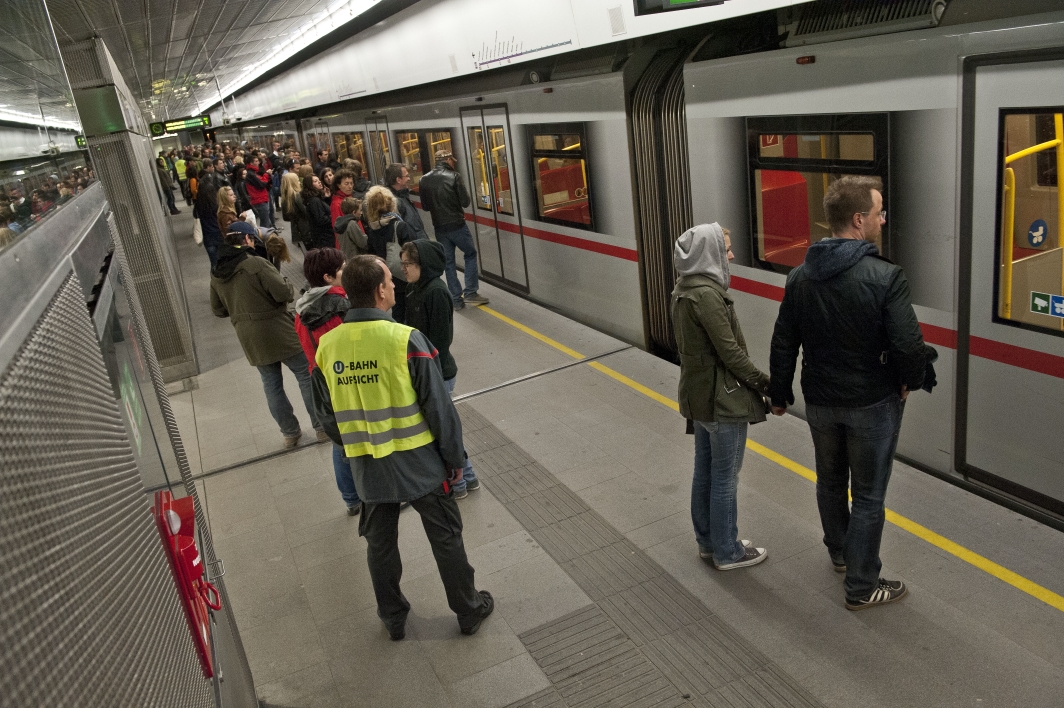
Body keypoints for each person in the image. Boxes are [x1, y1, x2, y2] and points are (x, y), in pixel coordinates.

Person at [769, 176, 932, 611]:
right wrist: (911, 380)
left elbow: (785, 340)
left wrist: (780, 393)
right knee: (869, 496)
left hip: (820, 401)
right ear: (859, 220)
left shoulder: (800, 276)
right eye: (879, 211)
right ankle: (862, 586)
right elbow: (908, 345)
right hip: (871, 403)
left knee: (829, 481)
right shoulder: (885, 276)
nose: (883, 218)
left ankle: (841, 554)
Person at [311, 255, 494, 640]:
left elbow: (326, 417)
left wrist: (356, 442)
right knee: (446, 537)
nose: (395, 285)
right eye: (390, 282)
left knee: (380, 545)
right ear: (380, 290)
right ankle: (467, 609)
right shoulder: (405, 340)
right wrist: (455, 458)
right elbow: (439, 409)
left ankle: (393, 618)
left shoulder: (327, 347)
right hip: (421, 464)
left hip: (368, 469)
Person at [671, 224, 769, 570]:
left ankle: (708, 543)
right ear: (708, 253)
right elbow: (730, 354)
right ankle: (728, 551)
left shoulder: (684, 287)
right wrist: (764, 384)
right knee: (725, 477)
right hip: (721, 397)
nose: (731, 255)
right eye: (725, 249)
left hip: (697, 396)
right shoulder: (708, 295)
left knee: (705, 471)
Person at [210, 225, 326, 448]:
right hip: (279, 330)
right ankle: (321, 427)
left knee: (271, 384)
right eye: (253, 239)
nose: (255, 243)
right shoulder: (255, 264)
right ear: (246, 238)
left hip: (249, 337)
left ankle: (290, 433)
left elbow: (218, 310)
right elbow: (284, 293)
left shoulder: (217, 271)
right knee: (305, 374)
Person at [400, 240, 480, 499]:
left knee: (442, 431)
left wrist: (426, 375)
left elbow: (440, 341)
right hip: (428, 371)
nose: (403, 269)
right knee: (443, 428)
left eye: (407, 264)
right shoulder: (417, 288)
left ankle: (458, 485)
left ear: (423, 264)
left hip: (438, 372)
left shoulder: (436, 292)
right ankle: (467, 477)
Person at [294, 248, 362, 515]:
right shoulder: (339, 306)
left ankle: (350, 498)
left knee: (339, 439)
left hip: (320, 379)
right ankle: (364, 494)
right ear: (328, 276)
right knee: (353, 436)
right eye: (343, 267)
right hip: (344, 379)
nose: (347, 270)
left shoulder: (302, 308)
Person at [419, 151, 488, 309]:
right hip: (457, 225)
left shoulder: (424, 179)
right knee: (470, 254)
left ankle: (456, 300)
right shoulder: (454, 176)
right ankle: (470, 292)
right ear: (448, 160)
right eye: (453, 160)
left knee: (448, 262)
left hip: (439, 227)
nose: (454, 163)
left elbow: (425, 206)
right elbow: (465, 202)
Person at [364, 185, 416, 323]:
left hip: (389, 278)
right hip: (405, 277)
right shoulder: (400, 226)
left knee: (398, 311)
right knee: (412, 313)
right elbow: (415, 251)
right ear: (391, 203)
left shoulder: (372, 230)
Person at [384, 163, 427, 241]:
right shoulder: (395, 202)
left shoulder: (403, 196)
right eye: (407, 176)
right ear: (398, 180)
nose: (409, 179)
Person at [303, 174, 334, 250]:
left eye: (319, 180)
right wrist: (334, 216)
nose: (319, 182)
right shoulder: (314, 200)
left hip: (325, 236)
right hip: (324, 238)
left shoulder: (317, 198)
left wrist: (327, 198)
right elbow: (321, 219)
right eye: (315, 181)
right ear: (310, 185)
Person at [280, 172, 310, 247]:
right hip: (306, 229)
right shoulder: (297, 196)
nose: (299, 182)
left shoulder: (285, 198)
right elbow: (307, 212)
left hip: (296, 230)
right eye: (297, 180)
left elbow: (285, 217)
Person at [245, 155, 273, 228]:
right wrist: (266, 175)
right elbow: (261, 184)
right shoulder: (251, 174)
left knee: (267, 222)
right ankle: (265, 238)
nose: (258, 163)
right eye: (256, 161)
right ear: (251, 163)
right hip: (260, 200)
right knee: (265, 224)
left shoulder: (254, 173)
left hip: (261, 199)